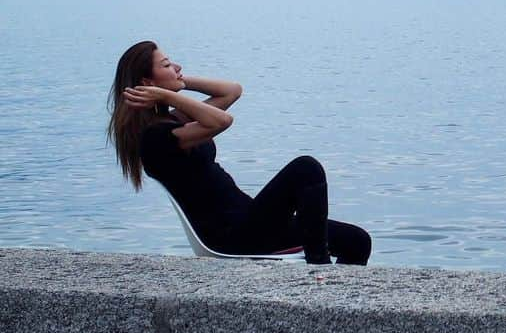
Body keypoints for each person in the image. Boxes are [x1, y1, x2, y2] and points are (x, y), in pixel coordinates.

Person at [106, 40, 371, 265]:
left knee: (357, 241)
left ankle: (329, 290)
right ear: (146, 81)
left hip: (250, 220)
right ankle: (318, 266)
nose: (177, 67)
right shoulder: (156, 138)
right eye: (166, 65)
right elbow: (222, 121)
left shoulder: (173, 122)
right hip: (233, 235)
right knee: (306, 168)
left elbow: (232, 91)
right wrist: (168, 95)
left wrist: (177, 84)